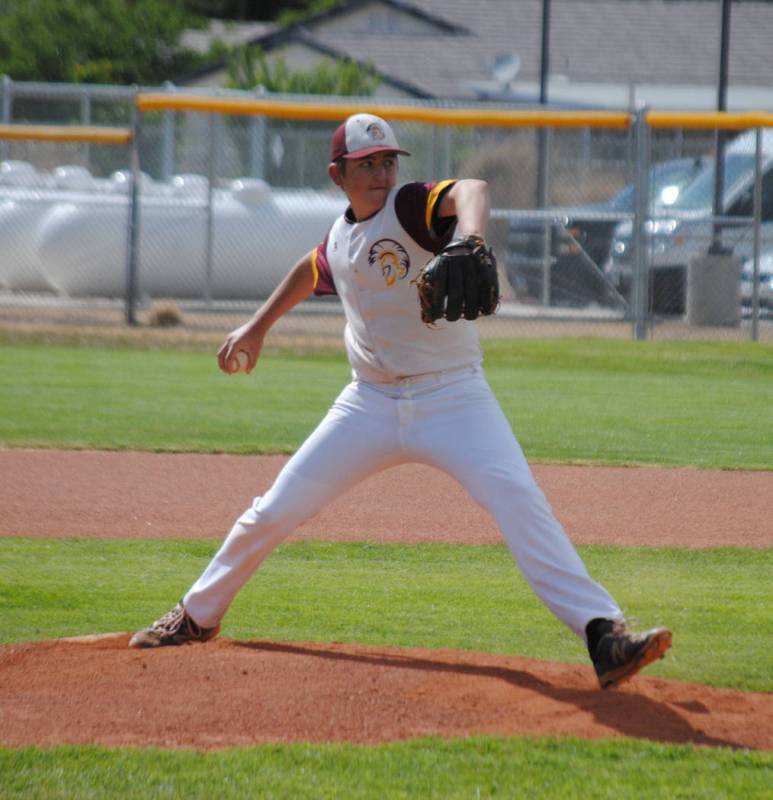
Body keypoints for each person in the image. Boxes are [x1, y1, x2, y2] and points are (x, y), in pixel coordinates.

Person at [130, 113, 672, 689]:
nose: (381, 173)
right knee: (275, 507)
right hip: (368, 404)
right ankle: (196, 615)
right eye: (367, 164)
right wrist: (258, 326)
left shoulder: (411, 206)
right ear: (337, 174)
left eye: (388, 160)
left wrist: (469, 236)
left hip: (454, 395)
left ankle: (603, 635)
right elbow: (310, 269)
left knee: (517, 498)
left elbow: (473, 190)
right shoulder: (340, 239)